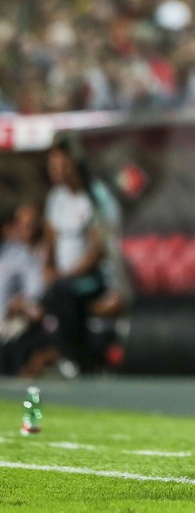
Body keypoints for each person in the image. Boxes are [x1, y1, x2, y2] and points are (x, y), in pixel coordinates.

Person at [41, 142, 108, 376]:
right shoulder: (55, 198)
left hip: (92, 278)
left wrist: (69, 274)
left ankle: (75, 357)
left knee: (64, 291)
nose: (57, 170)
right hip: (63, 278)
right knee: (52, 291)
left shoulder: (94, 195)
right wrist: (48, 268)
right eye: (53, 165)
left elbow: (99, 247)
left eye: (62, 164)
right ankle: (60, 355)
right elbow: (50, 239)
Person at [0, 204, 58, 377]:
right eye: (22, 224)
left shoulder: (23, 255)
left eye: (31, 225)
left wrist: (21, 305)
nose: (25, 230)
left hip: (17, 323)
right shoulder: (12, 253)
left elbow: (35, 294)